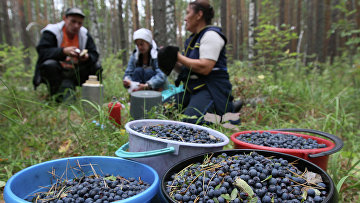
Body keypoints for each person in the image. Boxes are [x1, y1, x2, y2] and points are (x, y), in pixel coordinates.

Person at [158, 0, 240, 124]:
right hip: (193, 89)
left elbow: (205, 68)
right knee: (161, 110)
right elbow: (189, 68)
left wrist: (178, 57)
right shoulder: (193, 39)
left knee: (190, 123)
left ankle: (226, 112)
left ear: (199, 15)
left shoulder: (211, 35)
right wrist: (172, 60)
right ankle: (222, 110)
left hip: (210, 89)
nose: (185, 18)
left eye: (187, 13)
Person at [32, 8, 102, 102]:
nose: (76, 26)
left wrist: (87, 57)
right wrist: (63, 51)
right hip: (58, 71)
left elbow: (94, 54)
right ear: (64, 18)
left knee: (96, 66)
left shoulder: (84, 34)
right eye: (73, 21)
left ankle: (92, 97)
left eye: (79, 23)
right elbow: (42, 52)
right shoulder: (52, 31)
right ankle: (54, 95)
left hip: (77, 71)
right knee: (49, 65)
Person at [123, 28, 168, 93]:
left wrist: (148, 85)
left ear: (148, 42)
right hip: (140, 87)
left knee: (148, 72)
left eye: (142, 44)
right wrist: (127, 81)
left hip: (156, 88)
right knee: (138, 71)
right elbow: (128, 73)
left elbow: (162, 75)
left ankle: (153, 98)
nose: (139, 47)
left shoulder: (157, 54)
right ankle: (137, 96)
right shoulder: (135, 56)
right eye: (137, 45)